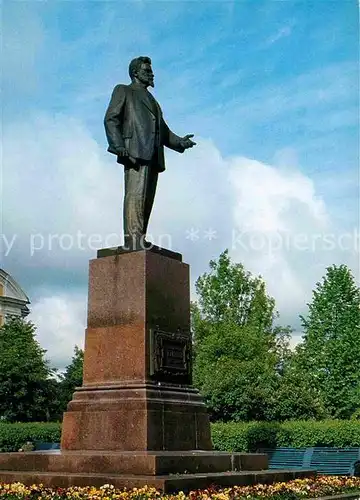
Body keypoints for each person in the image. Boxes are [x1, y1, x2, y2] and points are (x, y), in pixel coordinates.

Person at [104, 56, 196, 250]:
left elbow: (162, 130)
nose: (151, 74)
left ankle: (140, 237)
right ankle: (133, 240)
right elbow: (111, 119)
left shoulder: (152, 101)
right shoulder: (124, 90)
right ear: (135, 73)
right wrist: (119, 146)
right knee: (135, 195)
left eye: (151, 71)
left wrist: (181, 142)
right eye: (147, 71)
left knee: (146, 200)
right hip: (134, 151)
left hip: (153, 155)